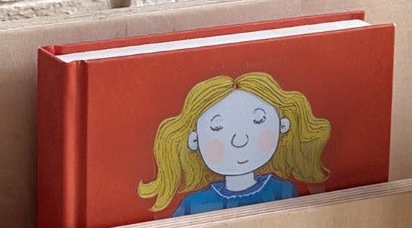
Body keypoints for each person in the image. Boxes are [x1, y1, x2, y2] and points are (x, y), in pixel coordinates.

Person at [139, 69, 331, 215]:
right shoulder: (193, 204)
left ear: (282, 125)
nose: (240, 140)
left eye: (258, 121)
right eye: (217, 128)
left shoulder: (283, 190)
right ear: (194, 140)